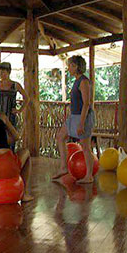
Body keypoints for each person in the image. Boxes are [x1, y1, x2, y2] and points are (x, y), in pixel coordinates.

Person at [53, 55, 95, 184]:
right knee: (60, 137)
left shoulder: (84, 81)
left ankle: (89, 176)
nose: (68, 68)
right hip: (74, 115)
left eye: (70, 65)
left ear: (76, 66)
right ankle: (64, 167)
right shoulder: (77, 80)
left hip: (83, 116)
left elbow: (86, 104)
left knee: (85, 146)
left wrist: (81, 123)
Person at [0, 62, 28, 148]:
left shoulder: (15, 85)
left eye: (3, 72)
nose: (0, 75)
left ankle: (10, 155)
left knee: (11, 135)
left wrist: (19, 110)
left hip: (10, 115)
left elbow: (26, 98)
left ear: (8, 72)